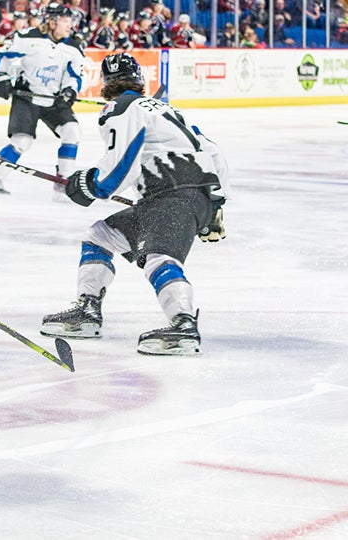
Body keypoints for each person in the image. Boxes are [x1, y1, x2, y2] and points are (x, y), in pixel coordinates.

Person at [41, 53, 229, 356]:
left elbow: (120, 167)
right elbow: (214, 151)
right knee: (100, 236)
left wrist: (90, 185)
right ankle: (88, 310)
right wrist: (215, 207)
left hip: (172, 194)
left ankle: (183, 324)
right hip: (188, 195)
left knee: (158, 255)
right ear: (140, 79)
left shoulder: (119, 108)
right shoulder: (166, 108)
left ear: (105, 83)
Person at [0, 2, 84, 201]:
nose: (69, 25)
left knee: (72, 131)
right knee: (22, 141)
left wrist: (71, 89)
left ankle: (62, 181)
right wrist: (2, 78)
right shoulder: (27, 37)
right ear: (53, 21)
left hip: (54, 99)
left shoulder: (73, 46)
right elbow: (4, 56)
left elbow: (75, 75)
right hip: (27, 97)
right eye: (65, 21)